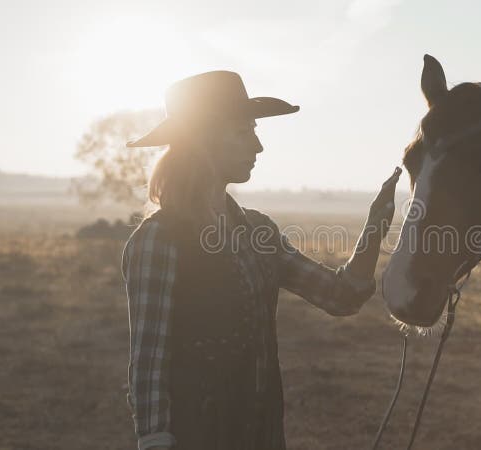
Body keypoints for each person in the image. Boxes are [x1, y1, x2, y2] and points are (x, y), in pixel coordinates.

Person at [121, 71, 400, 450]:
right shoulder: (158, 240)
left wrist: (374, 229)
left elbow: (340, 296)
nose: (258, 147)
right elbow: (149, 360)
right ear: (203, 141)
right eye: (243, 132)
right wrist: (155, 441)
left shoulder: (259, 232)